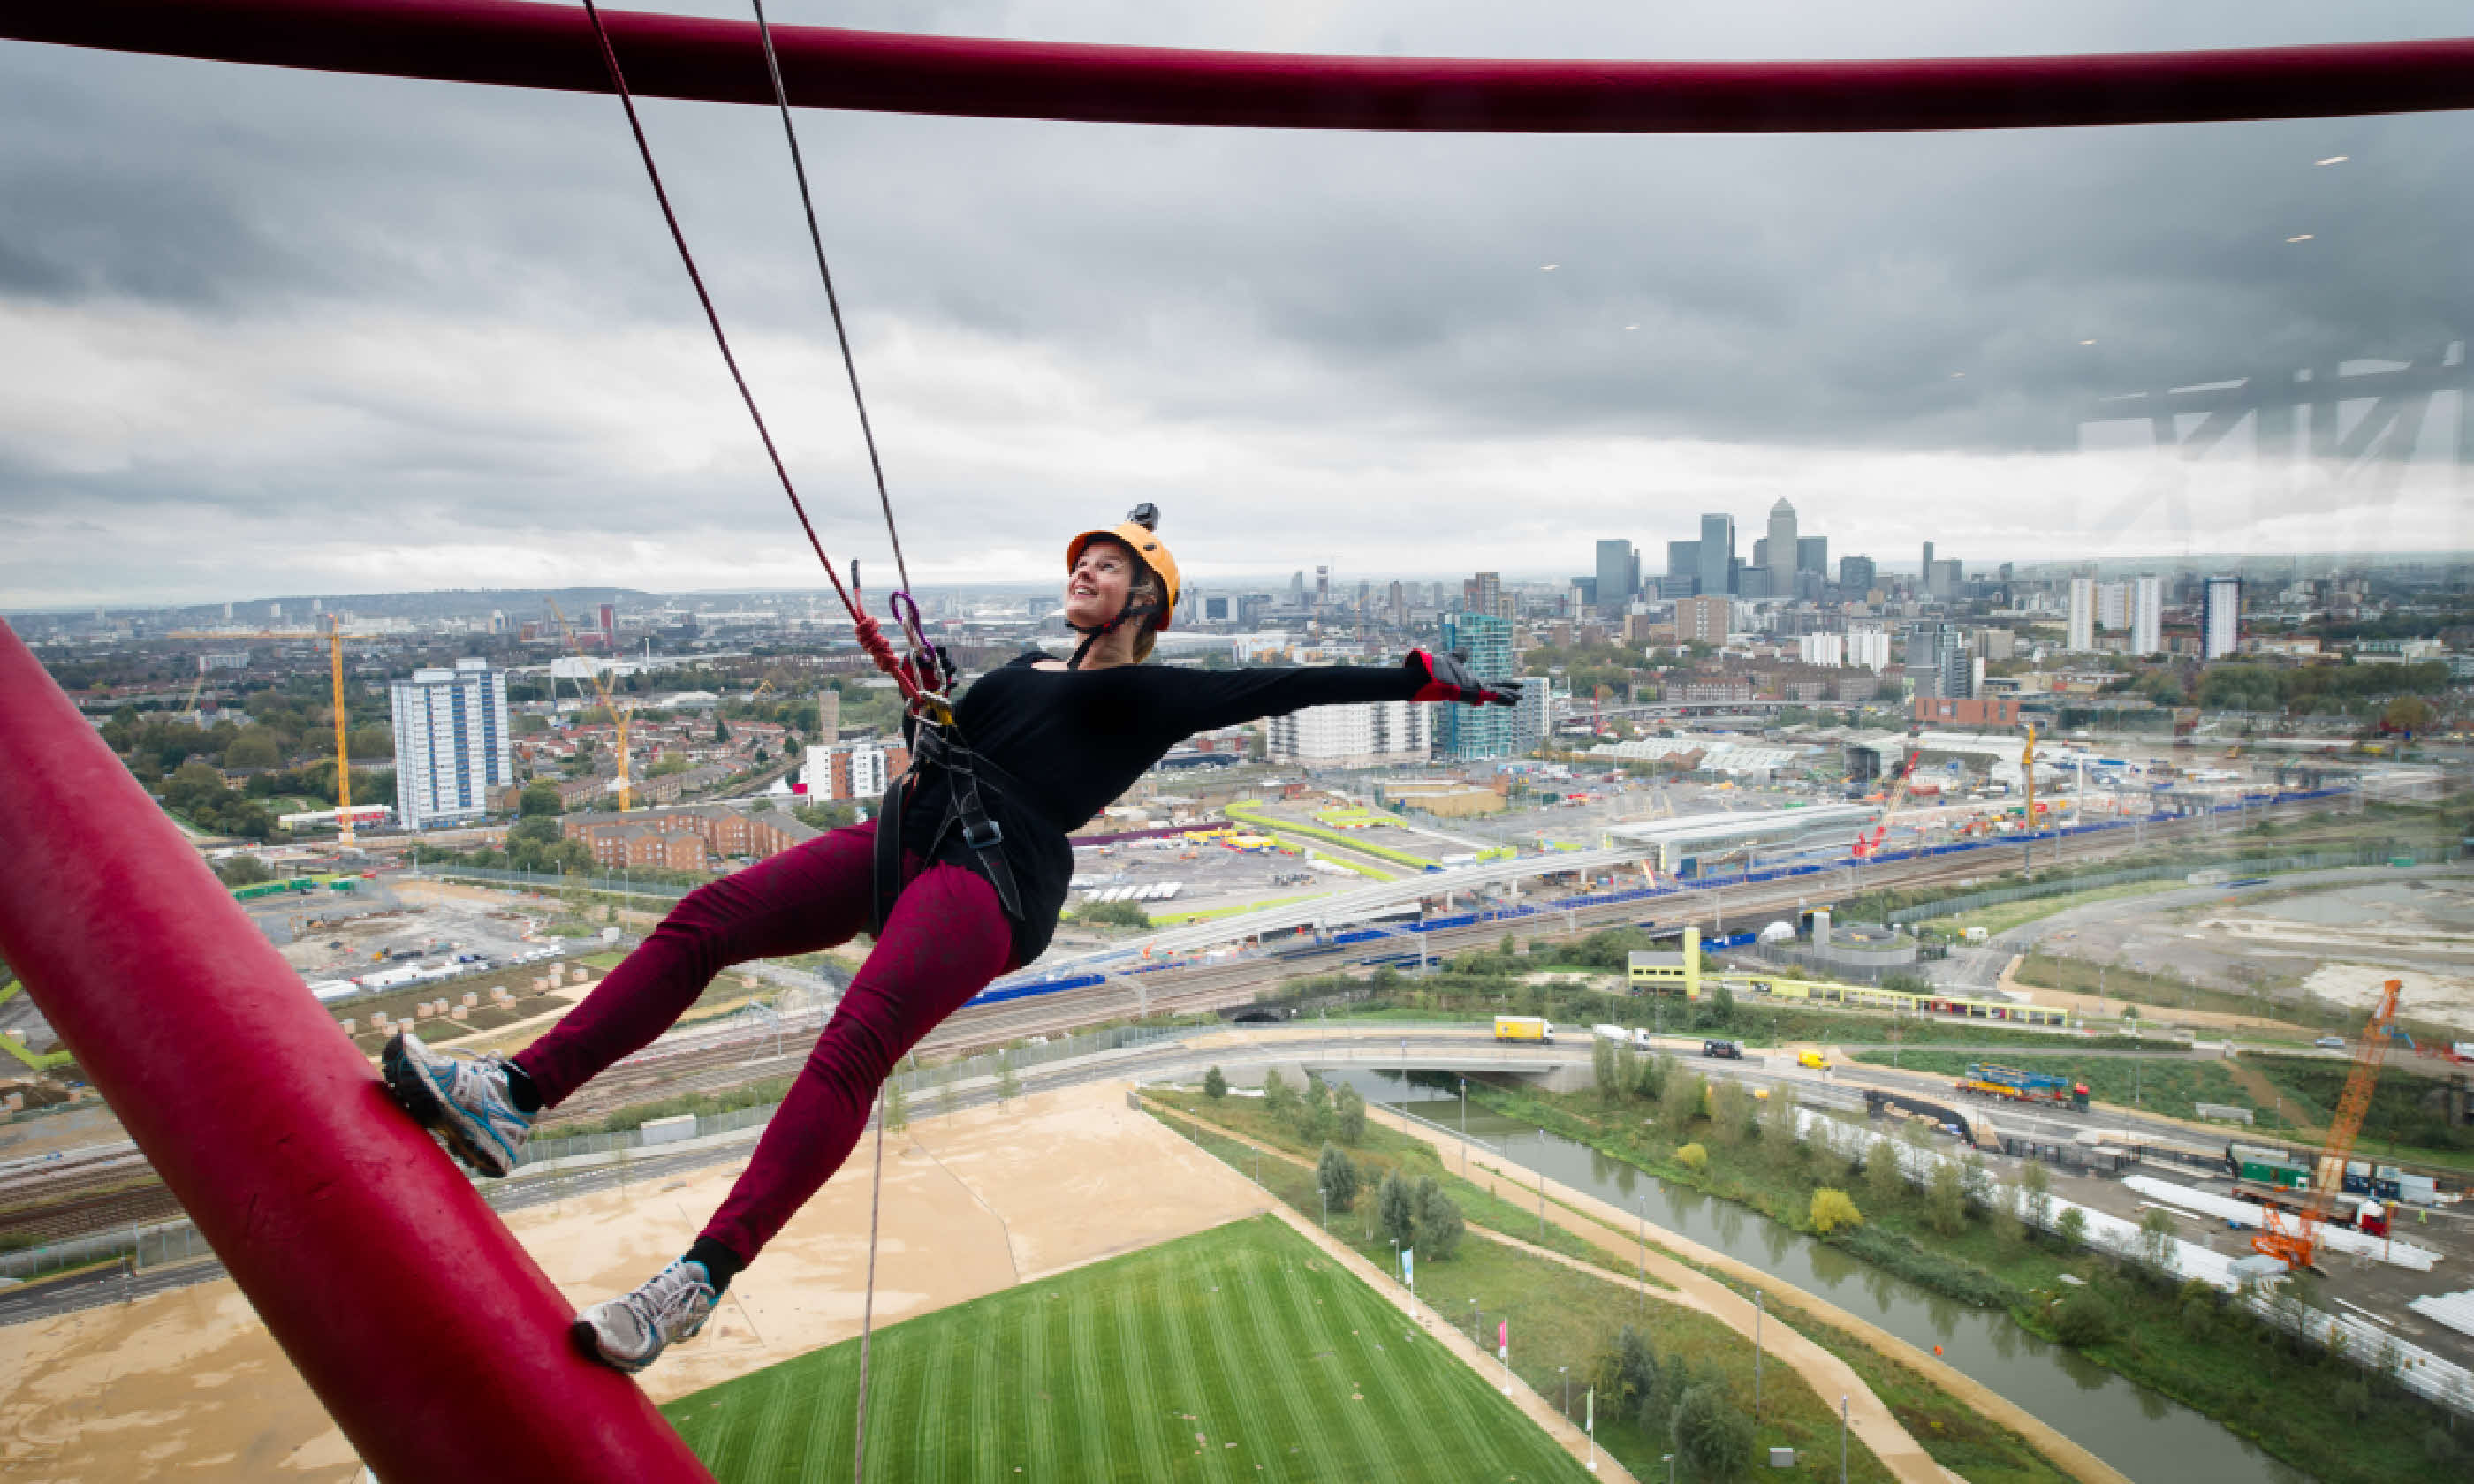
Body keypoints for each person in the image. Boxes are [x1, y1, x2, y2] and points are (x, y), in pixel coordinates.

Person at [381, 506, 1519, 1373]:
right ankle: (515, 1095)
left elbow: (1283, 687)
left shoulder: (1148, 696)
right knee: (706, 920)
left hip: (988, 878)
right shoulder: (1021, 671)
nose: (1085, 571)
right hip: (909, 836)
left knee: (850, 1044)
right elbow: (960, 733)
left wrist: (1419, 681)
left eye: (1109, 566)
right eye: (1082, 560)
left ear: (1145, 603)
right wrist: (931, 698)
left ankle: (696, 1280)